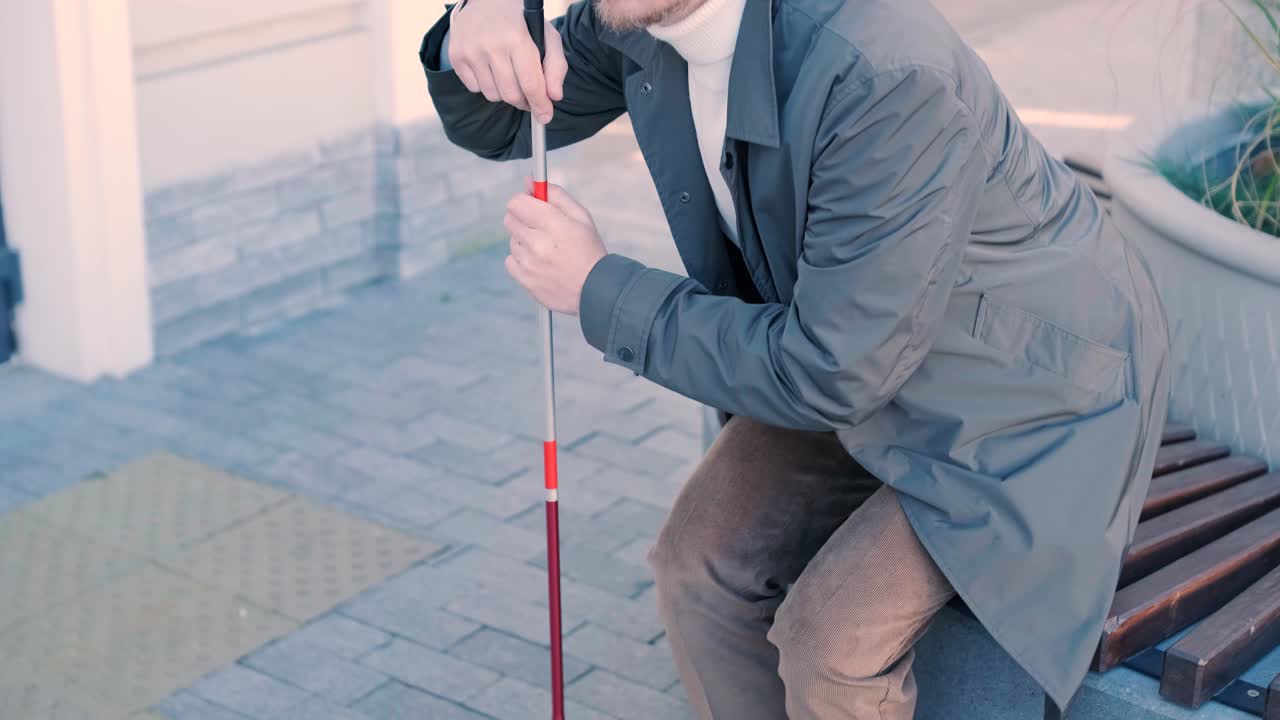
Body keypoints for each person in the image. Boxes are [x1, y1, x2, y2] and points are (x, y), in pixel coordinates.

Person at [419, 0, 1171, 715]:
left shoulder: (883, 68)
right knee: (695, 567)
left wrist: (599, 289)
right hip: (855, 344)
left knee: (830, 639)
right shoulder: (638, 20)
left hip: (1027, 393)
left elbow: (831, 372)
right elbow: (497, 116)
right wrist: (474, 18)